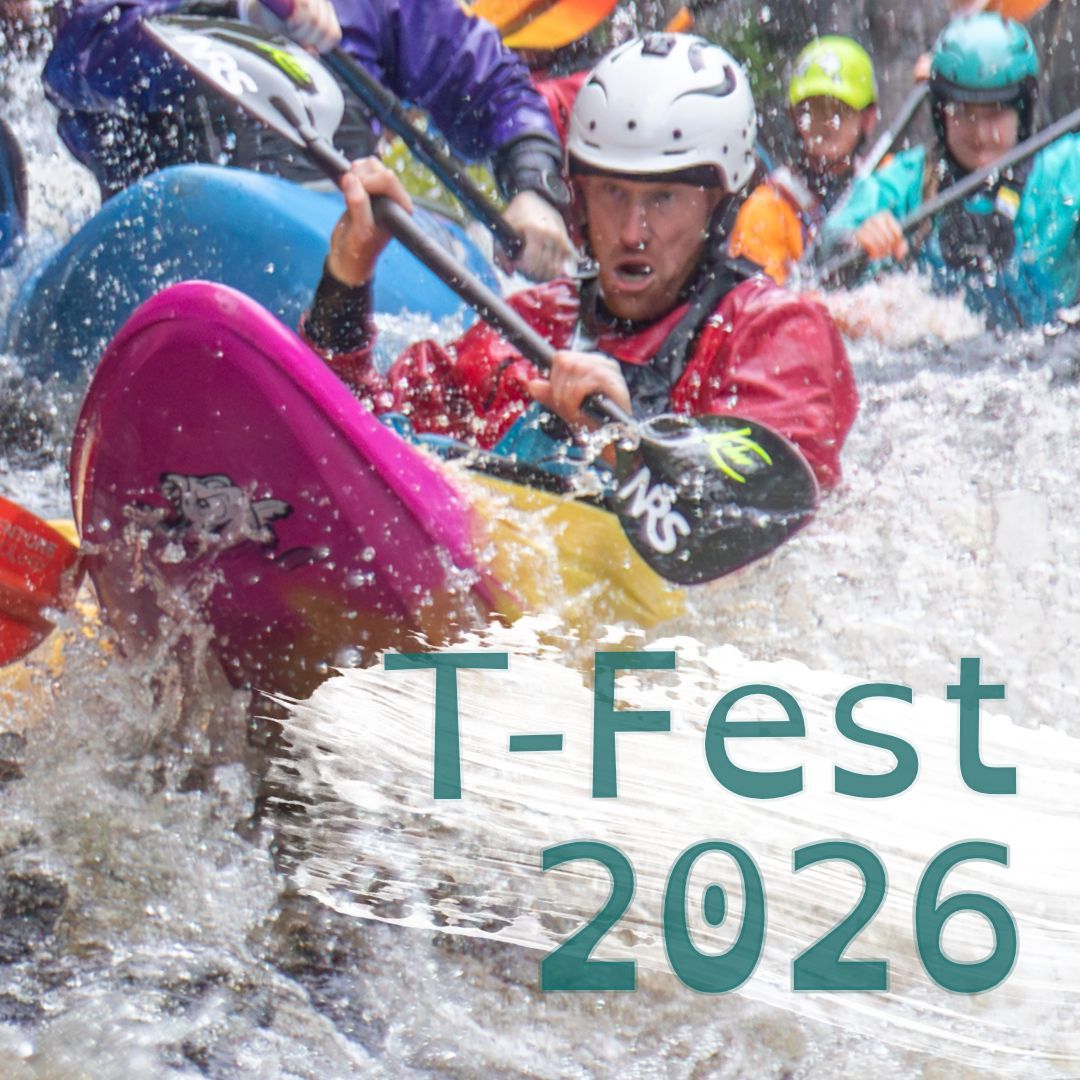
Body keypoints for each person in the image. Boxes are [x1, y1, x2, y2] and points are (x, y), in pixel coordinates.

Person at [302, 34, 858, 492]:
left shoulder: (778, 335)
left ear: (720, 204)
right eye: (611, 192)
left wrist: (623, 445)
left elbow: (766, 513)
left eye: (663, 199)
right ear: (578, 195)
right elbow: (356, 432)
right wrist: (347, 278)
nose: (632, 231)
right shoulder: (527, 326)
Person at [43, 0, 574, 280]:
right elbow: (73, 68)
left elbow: (494, 86)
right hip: (164, 241)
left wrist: (534, 189)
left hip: (332, 249)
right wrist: (231, 13)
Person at [818, 13, 1080, 330]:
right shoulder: (909, 180)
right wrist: (854, 243)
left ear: (1021, 111)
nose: (980, 133)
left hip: (1047, 360)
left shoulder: (1064, 172)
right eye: (964, 112)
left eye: (995, 112)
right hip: (936, 363)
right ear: (941, 114)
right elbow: (826, 249)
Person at [727, 36, 879, 285]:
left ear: (868, 118)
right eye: (815, 109)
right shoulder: (766, 208)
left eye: (841, 108)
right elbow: (763, 308)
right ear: (795, 116)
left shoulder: (886, 184)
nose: (828, 122)